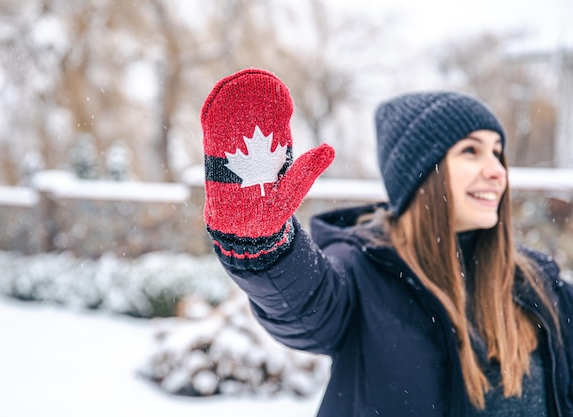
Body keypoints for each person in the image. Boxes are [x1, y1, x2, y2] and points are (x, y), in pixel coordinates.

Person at [200, 68, 573, 416]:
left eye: (497, 152)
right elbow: (304, 306)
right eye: (471, 151)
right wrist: (265, 248)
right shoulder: (362, 272)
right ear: (421, 176)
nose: (496, 171)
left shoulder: (539, 282)